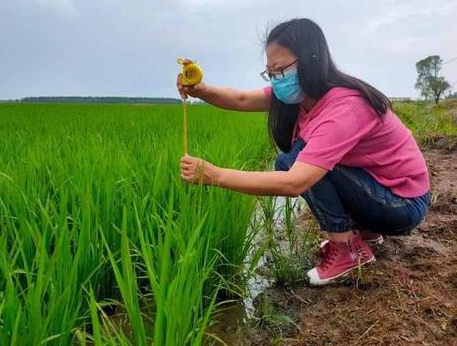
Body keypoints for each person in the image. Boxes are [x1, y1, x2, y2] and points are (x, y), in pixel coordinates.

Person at [177, 18, 431, 286]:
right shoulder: (303, 96)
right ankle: (365, 231)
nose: (277, 80)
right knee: (289, 159)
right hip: (382, 191)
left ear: (311, 60)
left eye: (281, 70)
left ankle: (346, 250)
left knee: (298, 163)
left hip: (402, 206)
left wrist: (214, 174)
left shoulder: (344, 108)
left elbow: (295, 182)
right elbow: (240, 99)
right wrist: (200, 90)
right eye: (270, 73)